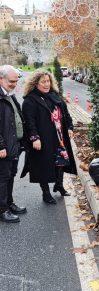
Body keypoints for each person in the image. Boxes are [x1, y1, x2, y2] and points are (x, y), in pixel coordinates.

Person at [21, 70, 77, 204]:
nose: (47, 84)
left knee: (60, 161)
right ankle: (45, 193)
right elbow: (29, 121)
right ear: (35, 84)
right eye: (43, 82)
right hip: (43, 138)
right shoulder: (30, 100)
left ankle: (59, 185)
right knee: (43, 165)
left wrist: (69, 127)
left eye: (48, 81)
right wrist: (35, 138)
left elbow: (65, 113)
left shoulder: (54, 95)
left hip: (59, 137)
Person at [0, 65, 27, 223]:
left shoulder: (9, 95)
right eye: (11, 81)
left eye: (16, 81)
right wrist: (1, 145)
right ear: (1, 79)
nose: (14, 84)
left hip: (14, 145)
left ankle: (9, 203)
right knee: (3, 178)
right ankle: (3, 210)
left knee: (10, 176)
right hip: (4, 147)